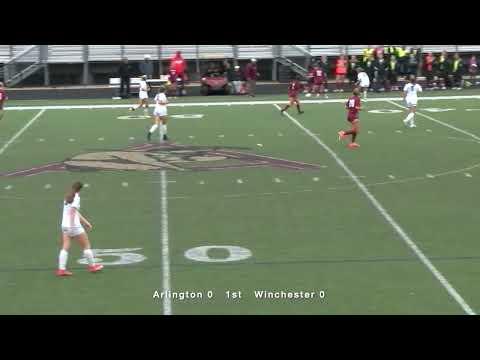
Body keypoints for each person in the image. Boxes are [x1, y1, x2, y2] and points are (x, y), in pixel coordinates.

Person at [57, 181, 104, 276]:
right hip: (73, 226)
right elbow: (73, 212)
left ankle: (61, 269)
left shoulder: (67, 197)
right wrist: (71, 225)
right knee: (86, 246)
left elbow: (75, 212)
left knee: (65, 247)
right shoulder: (76, 197)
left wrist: (86, 222)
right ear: (80, 189)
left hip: (64, 225)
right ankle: (92, 266)